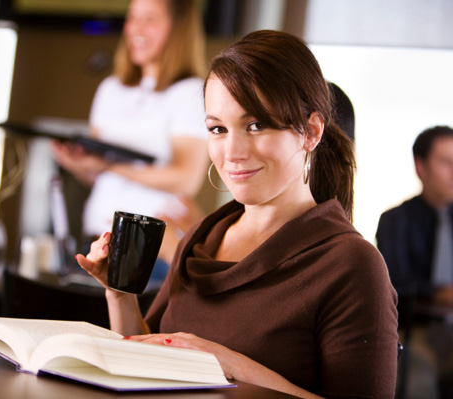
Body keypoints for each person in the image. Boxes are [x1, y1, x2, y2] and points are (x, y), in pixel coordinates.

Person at [76, 30, 399, 398]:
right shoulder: (202, 237)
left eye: (256, 125)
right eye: (218, 129)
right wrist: (119, 294)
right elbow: (148, 353)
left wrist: (228, 364)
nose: (232, 152)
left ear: (311, 132)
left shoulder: (352, 266)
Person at [52, 0, 210, 265]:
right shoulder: (110, 89)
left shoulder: (190, 92)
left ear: (178, 28)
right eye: (133, 18)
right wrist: (79, 165)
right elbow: (98, 176)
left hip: (149, 251)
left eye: (149, 19)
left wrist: (108, 166)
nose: (136, 28)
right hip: (98, 238)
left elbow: (185, 179)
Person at [376, 125, 453, 399]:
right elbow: (393, 286)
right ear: (421, 166)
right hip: (413, 331)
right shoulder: (396, 221)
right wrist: (439, 294)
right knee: (415, 374)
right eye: (446, 162)